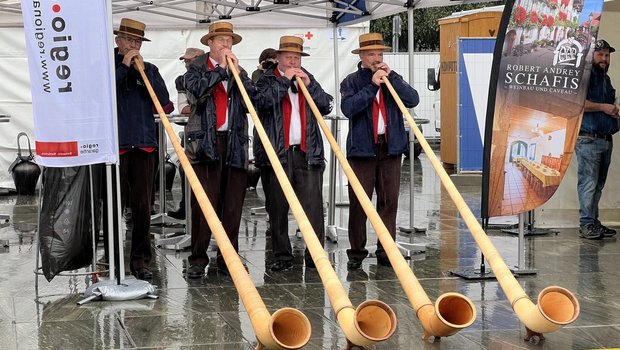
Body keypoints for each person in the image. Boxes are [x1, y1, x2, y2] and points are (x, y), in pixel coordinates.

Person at [252, 36, 333, 271]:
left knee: (313, 208)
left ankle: (315, 256)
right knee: (277, 208)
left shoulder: (307, 78)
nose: (293, 61)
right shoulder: (266, 79)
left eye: (296, 57)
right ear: (277, 58)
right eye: (288, 57)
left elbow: (326, 105)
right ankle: (281, 256)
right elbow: (263, 103)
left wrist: (310, 86)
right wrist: (285, 81)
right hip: (277, 153)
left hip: (307, 152)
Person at [340, 32, 419, 270]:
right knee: (359, 202)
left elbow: (412, 99)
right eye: (372, 54)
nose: (377, 58)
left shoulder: (391, 78)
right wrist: (371, 86)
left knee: (389, 202)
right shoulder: (352, 81)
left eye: (380, 53)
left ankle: (386, 251)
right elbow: (348, 109)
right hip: (362, 150)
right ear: (362, 56)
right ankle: (356, 253)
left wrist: (391, 77)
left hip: (390, 148)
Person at [183, 22, 254, 278]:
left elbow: (252, 100)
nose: (227, 45)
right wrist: (222, 70)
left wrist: (237, 74)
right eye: (222, 41)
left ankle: (228, 258)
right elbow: (196, 94)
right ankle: (198, 259)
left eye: (230, 42)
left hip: (234, 142)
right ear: (210, 43)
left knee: (233, 204)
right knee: (204, 203)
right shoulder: (196, 68)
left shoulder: (239, 70)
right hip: (205, 142)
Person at [114, 18, 171, 279]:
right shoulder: (109, 67)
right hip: (117, 146)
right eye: (129, 40)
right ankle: (113, 258)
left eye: (137, 42)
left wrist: (141, 72)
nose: (133, 45)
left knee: (142, 206)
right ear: (118, 41)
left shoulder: (150, 69)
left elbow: (163, 100)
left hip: (145, 144)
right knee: (113, 204)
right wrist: (125, 68)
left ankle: (140, 260)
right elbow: (101, 95)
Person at [576, 39, 619, 240]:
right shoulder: (584, 77)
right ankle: (586, 224)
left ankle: (593, 221)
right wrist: (603, 107)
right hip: (588, 140)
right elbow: (576, 103)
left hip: (605, 139)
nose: (604, 58)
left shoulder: (606, 79)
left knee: (598, 185)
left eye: (607, 55)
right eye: (600, 54)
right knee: (589, 183)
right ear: (592, 56)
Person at [167, 47, 205, 220]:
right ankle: (186, 207)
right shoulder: (182, 80)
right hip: (193, 133)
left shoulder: (214, 74)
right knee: (185, 170)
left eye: (190, 60)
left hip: (210, 132)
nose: (187, 64)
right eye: (186, 61)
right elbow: (183, 108)